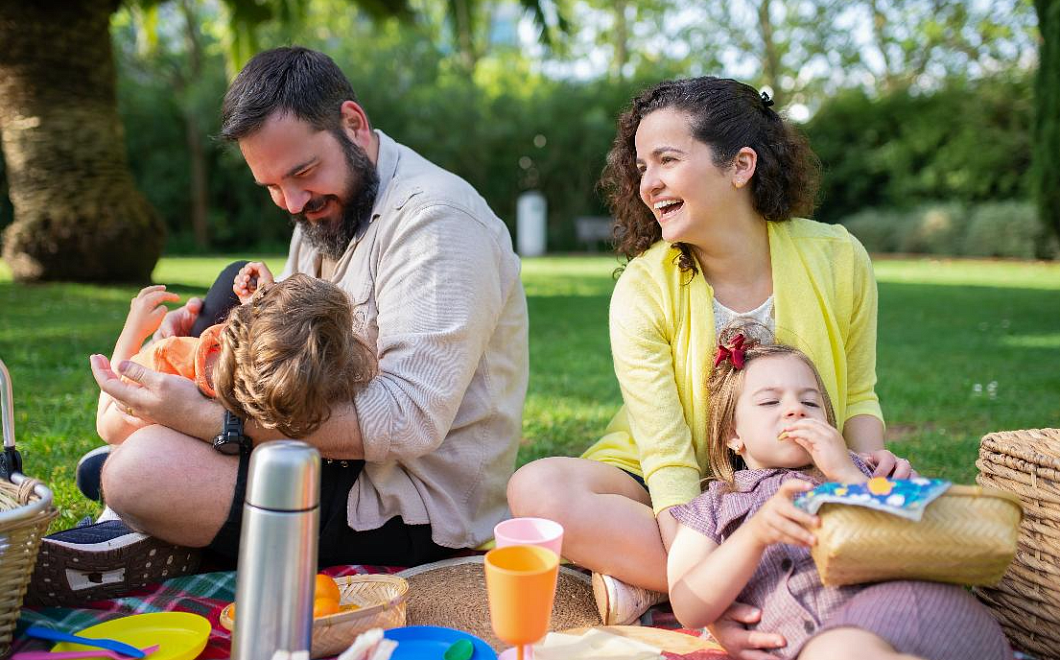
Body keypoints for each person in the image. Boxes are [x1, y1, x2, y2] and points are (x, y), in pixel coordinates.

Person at [30, 46, 528, 606]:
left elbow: (407, 420)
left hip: (405, 503)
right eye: (270, 186)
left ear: (353, 125)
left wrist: (206, 418)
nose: (291, 202)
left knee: (135, 471)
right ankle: (172, 506)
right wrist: (203, 347)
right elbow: (288, 355)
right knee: (225, 289)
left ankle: (153, 502)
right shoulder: (324, 206)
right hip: (326, 450)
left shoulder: (438, 222)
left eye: (303, 172)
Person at [506, 76, 910, 651]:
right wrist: (706, 602)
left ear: (740, 165)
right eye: (642, 167)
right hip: (678, 480)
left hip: (795, 475)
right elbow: (669, 466)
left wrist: (865, 468)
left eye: (667, 160)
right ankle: (739, 584)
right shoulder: (643, 288)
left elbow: (861, 393)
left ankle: (650, 583)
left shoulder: (838, 257)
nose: (649, 184)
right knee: (537, 490)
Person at [666, 328, 1011, 660]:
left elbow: (938, 537)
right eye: (770, 401)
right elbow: (688, 606)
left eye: (810, 403)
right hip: (835, 645)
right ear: (732, 435)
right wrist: (754, 536)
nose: (795, 409)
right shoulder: (714, 505)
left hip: (927, 613)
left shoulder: (869, 471)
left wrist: (846, 474)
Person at [94, 275, 375, 446]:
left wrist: (134, 329)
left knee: (115, 453)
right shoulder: (268, 395)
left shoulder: (167, 359)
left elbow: (107, 424)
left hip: (144, 449)